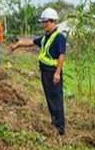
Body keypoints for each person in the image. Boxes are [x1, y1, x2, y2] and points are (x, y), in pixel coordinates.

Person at [8, 7, 66, 136]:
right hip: (45, 71)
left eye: (46, 22)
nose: (44, 24)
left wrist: (57, 72)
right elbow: (31, 42)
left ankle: (60, 127)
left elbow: (62, 55)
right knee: (50, 98)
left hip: (53, 72)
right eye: (43, 22)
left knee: (56, 99)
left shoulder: (59, 37)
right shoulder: (45, 38)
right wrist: (18, 44)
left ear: (53, 21)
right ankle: (54, 121)